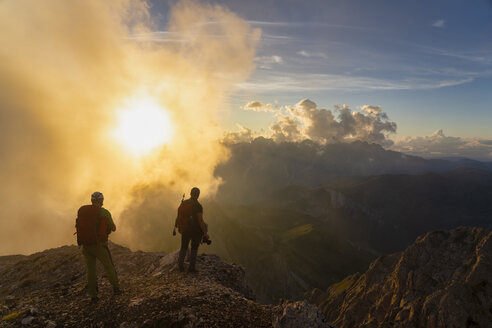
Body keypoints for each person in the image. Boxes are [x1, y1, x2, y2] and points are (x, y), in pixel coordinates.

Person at [76, 191, 120, 301]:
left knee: (90, 270)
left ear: (92, 201)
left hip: (86, 246)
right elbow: (113, 228)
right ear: (102, 201)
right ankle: (116, 288)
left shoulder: (84, 212)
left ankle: (93, 295)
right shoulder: (104, 212)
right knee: (108, 266)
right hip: (99, 245)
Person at [176, 187, 209, 273]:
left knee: (183, 247)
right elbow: (200, 220)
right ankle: (191, 268)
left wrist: (179, 227)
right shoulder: (198, 206)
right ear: (198, 195)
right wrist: (205, 233)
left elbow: (179, 216)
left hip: (185, 229)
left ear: (190, 193)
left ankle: (180, 266)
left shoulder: (184, 203)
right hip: (195, 231)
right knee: (194, 248)